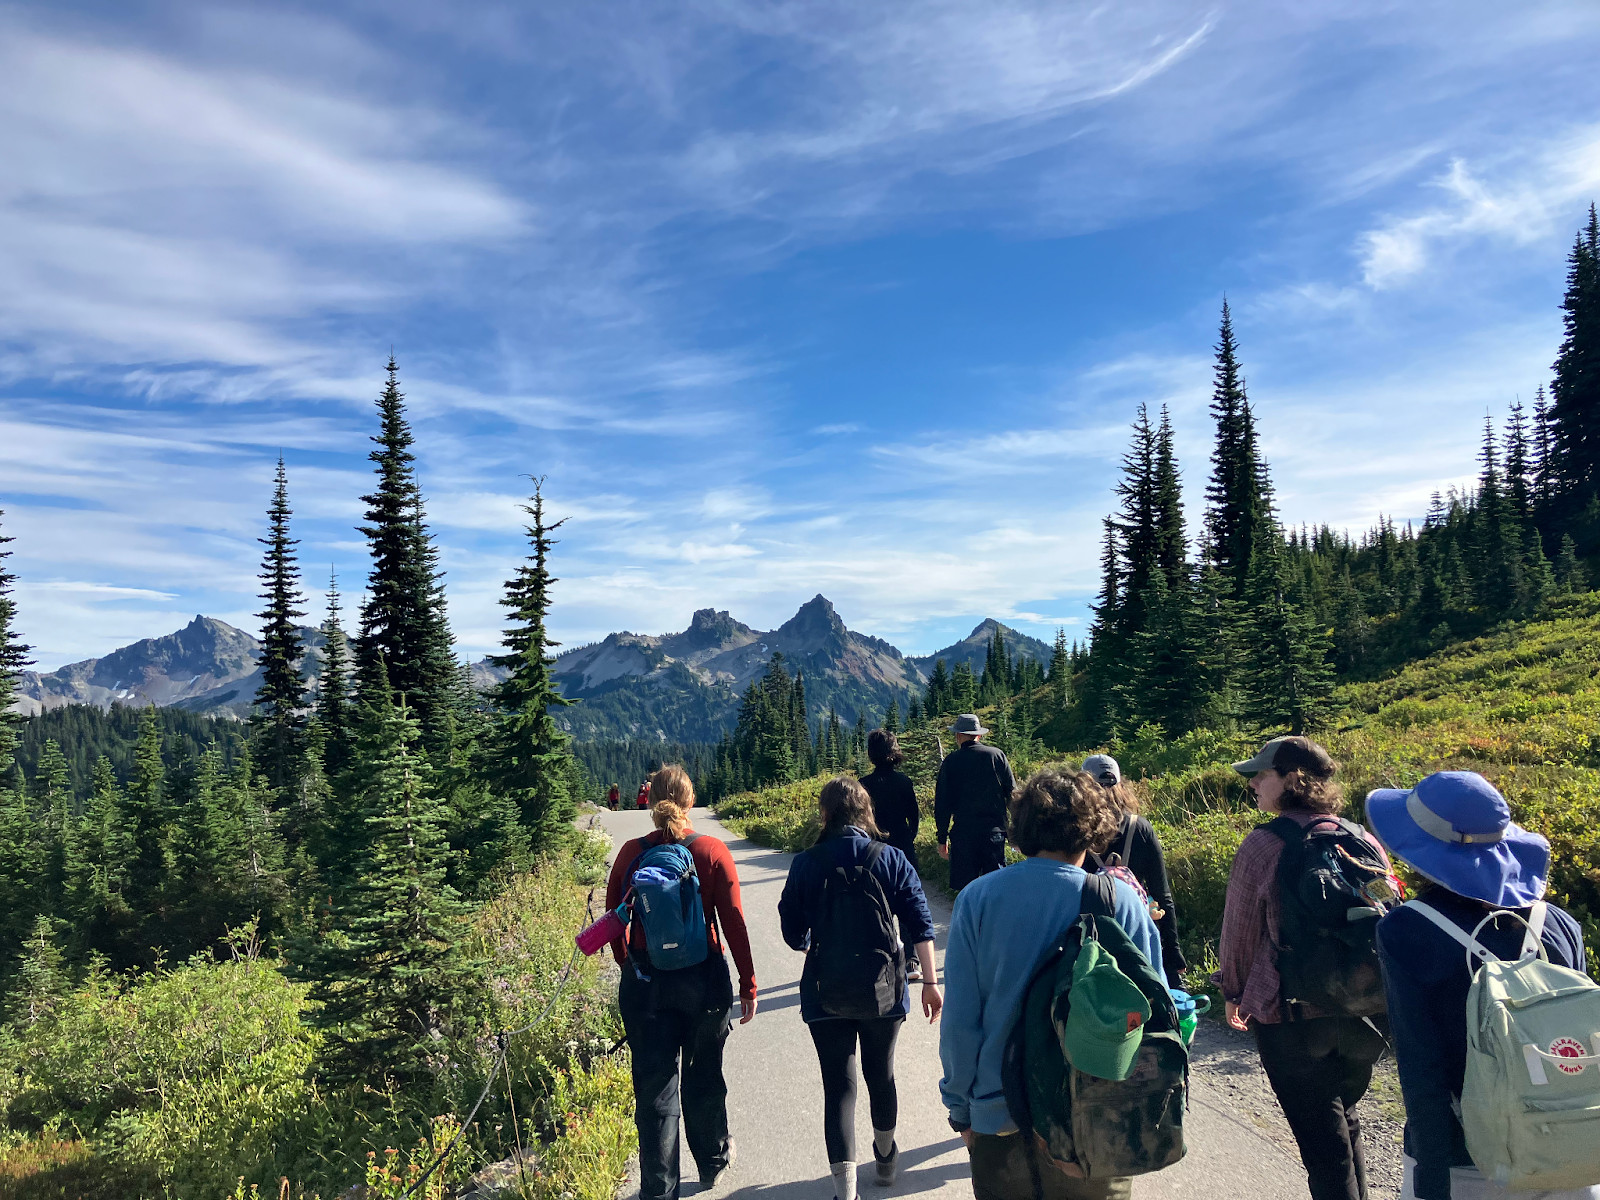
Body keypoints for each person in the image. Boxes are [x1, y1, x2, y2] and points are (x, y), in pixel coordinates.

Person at [1366, 771, 1595, 1200]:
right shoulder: (1561, 925)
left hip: (1468, 1157)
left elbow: (1420, 1062)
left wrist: (1432, 1175)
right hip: (1568, 1148)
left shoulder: (1408, 928)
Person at [940, 767, 1164, 1200]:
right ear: (1093, 831)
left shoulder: (979, 899)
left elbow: (962, 1022)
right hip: (1097, 1116)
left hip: (1000, 1110)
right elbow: (1150, 1015)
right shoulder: (1123, 903)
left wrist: (961, 1109)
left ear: (1021, 828)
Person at [1215, 736, 1390, 1200]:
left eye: (1262, 774)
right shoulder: (1361, 838)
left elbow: (1240, 934)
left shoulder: (1262, 845)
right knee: (1343, 1117)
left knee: (1322, 1146)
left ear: (1292, 779)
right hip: (1363, 1010)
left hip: (1291, 1013)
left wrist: (1233, 992)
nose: (1253, 782)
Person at [779, 776, 943, 1200]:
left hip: (823, 991)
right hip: (885, 989)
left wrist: (813, 943)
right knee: (881, 1074)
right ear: (866, 813)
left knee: (839, 1086)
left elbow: (792, 930)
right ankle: (886, 1160)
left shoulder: (806, 863)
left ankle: (845, 1191)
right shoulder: (891, 858)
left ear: (826, 814)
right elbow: (921, 924)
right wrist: (930, 982)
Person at [606, 766, 758, 1200]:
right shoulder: (711, 850)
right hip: (703, 981)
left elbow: (614, 920)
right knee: (704, 1073)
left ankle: (658, 1189)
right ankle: (711, 1162)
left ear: (650, 802)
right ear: (690, 802)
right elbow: (733, 922)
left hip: (646, 982)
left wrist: (627, 965)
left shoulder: (631, 854)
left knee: (655, 1086)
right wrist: (747, 984)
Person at [1080, 753, 1186, 988]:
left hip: (1093, 941)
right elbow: (1162, 895)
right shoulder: (1140, 827)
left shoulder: (1077, 831)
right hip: (1138, 932)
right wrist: (1172, 952)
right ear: (1120, 784)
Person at [934, 714, 1016, 891]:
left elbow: (942, 803)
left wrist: (942, 837)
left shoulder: (951, 762)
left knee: (965, 891)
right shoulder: (996, 755)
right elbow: (1012, 795)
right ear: (978, 735)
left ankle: (969, 919)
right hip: (993, 834)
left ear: (959, 735)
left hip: (963, 835)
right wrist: (1015, 831)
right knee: (995, 889)